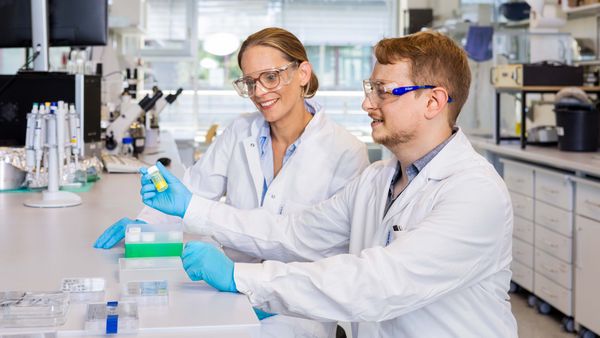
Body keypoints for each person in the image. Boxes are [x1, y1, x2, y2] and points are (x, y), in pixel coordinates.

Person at [139, 31, 518, 338]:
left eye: (383, 91)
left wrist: (240, 277)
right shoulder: (376, 180)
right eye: (370, 88)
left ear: (434, 101)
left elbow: (378, 283)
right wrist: (193, 208)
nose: (367, 104)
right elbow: (292, 232)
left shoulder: (474, 193)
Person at [94, 27, 370, 338]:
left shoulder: (345, 152)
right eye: (250, 82)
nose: (259, 92)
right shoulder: (241, 132)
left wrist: (255, 285)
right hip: (227, 290)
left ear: (303, 73)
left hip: (296, 310)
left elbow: (324, 250)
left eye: (270, 77)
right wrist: (144, 226)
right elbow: (191, 193)